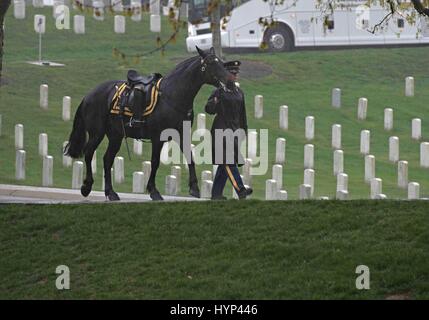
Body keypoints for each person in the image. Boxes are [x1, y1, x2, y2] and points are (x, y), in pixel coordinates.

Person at [205, 60, 253, 200]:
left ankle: (216, 194)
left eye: (236, 73)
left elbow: (242, 114)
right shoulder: (219, 92)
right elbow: (209, 110)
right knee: (228, 161)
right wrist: (214, 102)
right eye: (232, 73)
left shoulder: (239, 92)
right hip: (220, 131)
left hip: (234, 131)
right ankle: (240, 190)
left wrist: (244, 130)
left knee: (224, 165)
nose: (235, 76)